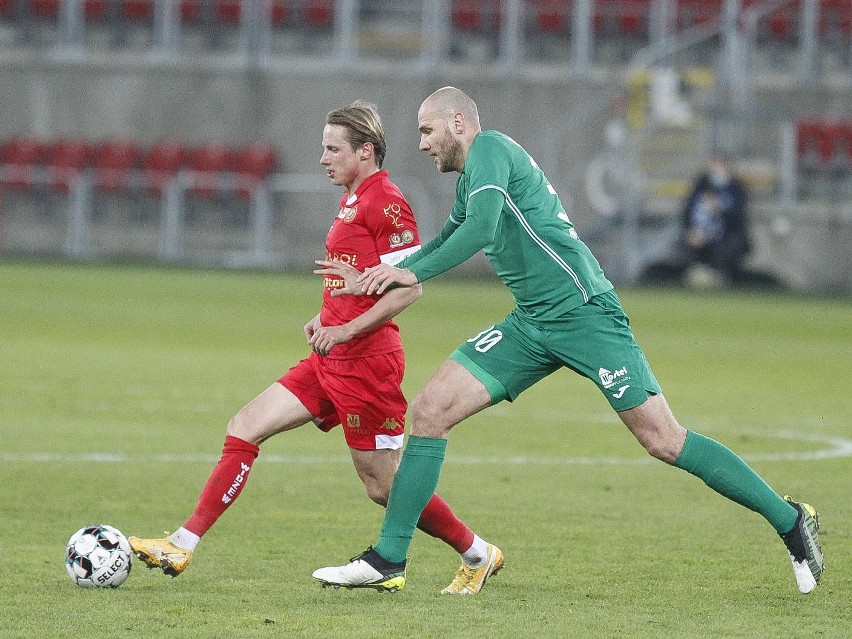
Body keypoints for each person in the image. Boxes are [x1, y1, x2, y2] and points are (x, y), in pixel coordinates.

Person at [311, 87, 823, 595]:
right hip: (532, 322)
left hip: (584, 314)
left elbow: (482, 231)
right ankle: (389, 559)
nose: (421, 144)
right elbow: (449, 236)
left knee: (664, 440)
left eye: (427, 130)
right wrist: (382, 270)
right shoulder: (474, 175)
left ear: (459, 124)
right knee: (429, 411)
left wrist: (408, 272)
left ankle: (789, 520)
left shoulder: (491, 150)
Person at [128, 100, 502, 595]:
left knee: (385, 488)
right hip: (330, 356)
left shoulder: (386, 202)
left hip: (367, 364)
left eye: (333, 149)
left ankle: (478, 553)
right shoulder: (350, 197)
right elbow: (362, 279)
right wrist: (327, 317)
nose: (323, 159)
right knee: (245, 426)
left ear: (365, 152)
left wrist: (347, 330)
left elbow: (409, 287)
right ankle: (182, 542)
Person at [679, 153, 751, 285]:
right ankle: (695, 274)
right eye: (715, 163)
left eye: (721, 164)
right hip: (699, 235)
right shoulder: (700, 186)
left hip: (725, 236)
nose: (718, 168)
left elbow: (739, 218)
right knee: (687, 242)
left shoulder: (736, 189)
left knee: (732, 245)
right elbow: (686, 213)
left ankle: (720, 276)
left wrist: (719, 209)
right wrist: (692, 231)